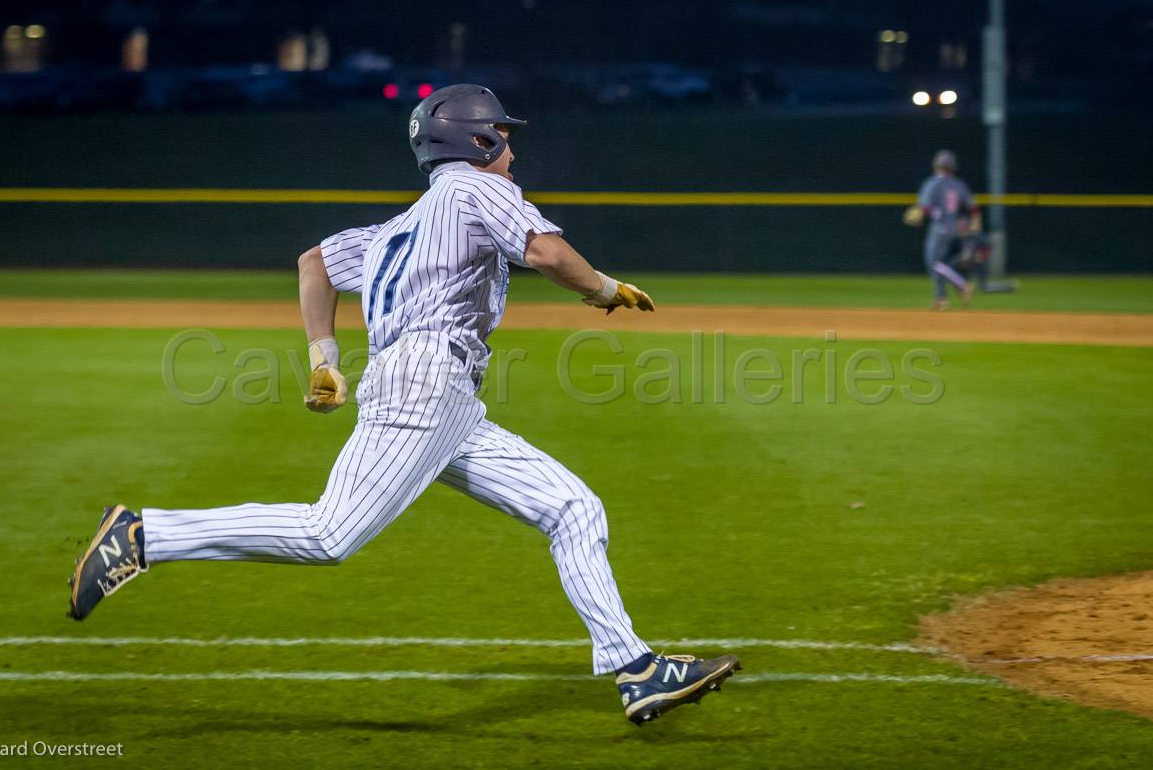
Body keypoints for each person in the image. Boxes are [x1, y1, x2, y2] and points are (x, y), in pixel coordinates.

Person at [67, 84, 740, 725]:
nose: (512, 149)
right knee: (329, 534)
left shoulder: (403, 225)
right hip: (425, 383)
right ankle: (143, 534)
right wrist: (602, 288)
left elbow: (314, 264)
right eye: (502, 135)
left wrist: (324, 360)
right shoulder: (478, 189)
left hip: (442, 399)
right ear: (474, 141)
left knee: (572, 507)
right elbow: (546, 251)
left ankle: (635, 667)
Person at [903, 150, 978, 310]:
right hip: (954, 227)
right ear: (952, 167)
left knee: (934, 263)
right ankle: (941, 299)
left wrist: (917, 216)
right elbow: (972, 208)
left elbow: (924, 207)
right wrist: (974, 224)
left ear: (937, 165)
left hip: (939, 228)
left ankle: (962, 285)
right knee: (939, 264)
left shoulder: (933, 183)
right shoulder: (959, 184)